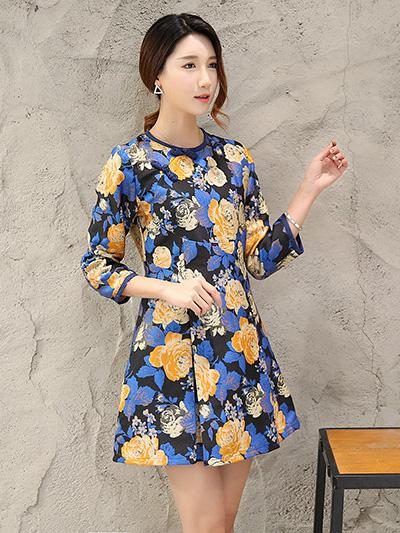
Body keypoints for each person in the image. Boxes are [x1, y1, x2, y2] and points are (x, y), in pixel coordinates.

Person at [80, 12, 349, 533]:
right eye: (189, 65)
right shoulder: (129, 163)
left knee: (222, 524)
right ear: (157, 75)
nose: (206, 79)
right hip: (172, 363)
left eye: (212, 65)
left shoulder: (233, 159)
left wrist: (309, 189)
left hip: (237, 356)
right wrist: (167, 289)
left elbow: (258, 260)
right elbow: (97, 264)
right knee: (205, 526)